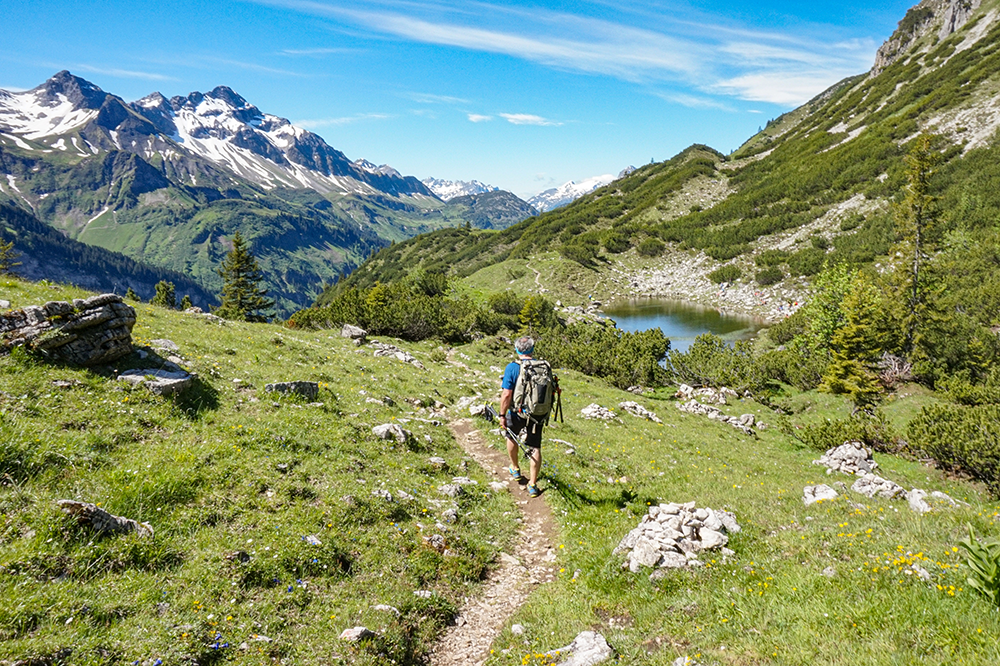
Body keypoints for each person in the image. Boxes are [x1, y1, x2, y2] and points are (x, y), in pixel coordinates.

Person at [499, 336, 544, 497]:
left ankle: (515, 468)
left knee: (511, 436)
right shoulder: (542, 367)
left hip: (517, 412)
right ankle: (533, 484)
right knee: (535, 447)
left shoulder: (512, 367)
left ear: (517, 350)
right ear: (532, 349)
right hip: (537, 413)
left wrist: (502, 414)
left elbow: (506, 394)